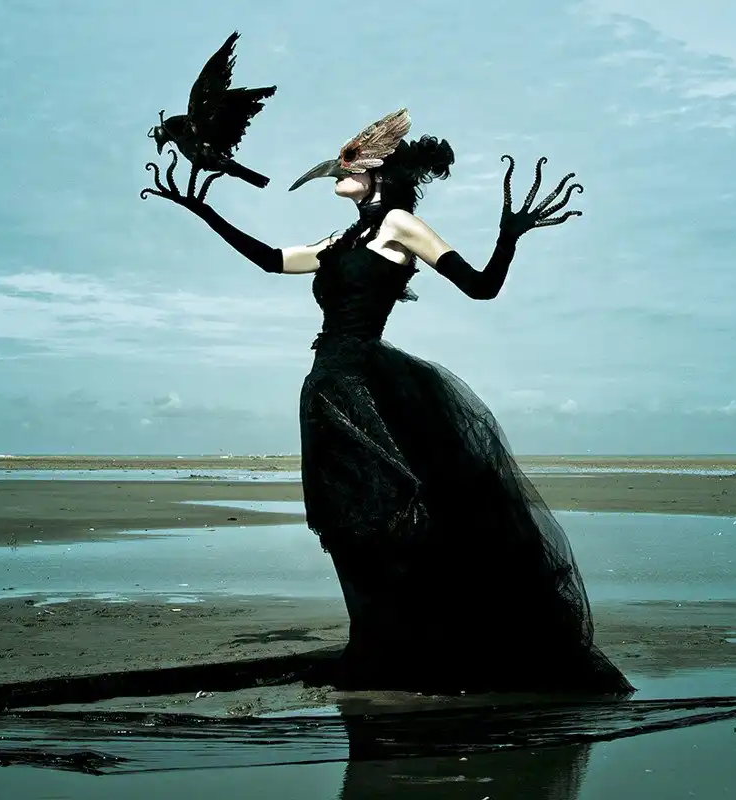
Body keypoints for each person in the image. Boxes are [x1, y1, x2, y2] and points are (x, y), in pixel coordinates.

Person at [144, 108, 634, 696]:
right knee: (346, 524)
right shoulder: (341, 239)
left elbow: (481, 286)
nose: (338, 173)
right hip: (326, 386)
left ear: (380, 173)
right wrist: (203, 211)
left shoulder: (400, 224)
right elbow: (272, 259)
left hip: (369, 384)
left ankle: (430, 639)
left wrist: (508, 235)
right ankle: (380, 637)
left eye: (350, 164)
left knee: (395, 517)